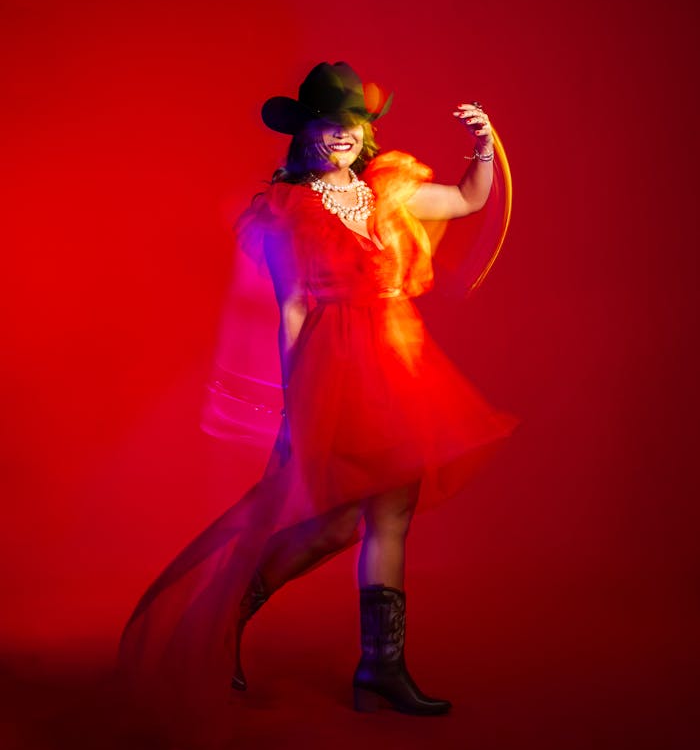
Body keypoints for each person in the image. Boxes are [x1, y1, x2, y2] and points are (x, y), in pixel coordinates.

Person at [118, 62, 518, 738]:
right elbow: (294, 308)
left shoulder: (387, 188)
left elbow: (467, 200)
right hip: (337, 367)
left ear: (365, 131)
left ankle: (381, 669)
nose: (341, 134)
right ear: (306, 134)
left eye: (351, 123)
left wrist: (485, 145)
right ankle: (229, 613)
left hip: (401, 365)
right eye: (328, 124)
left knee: (393, 514)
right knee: (333, 524)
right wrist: (296, 397)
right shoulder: (288, 210)